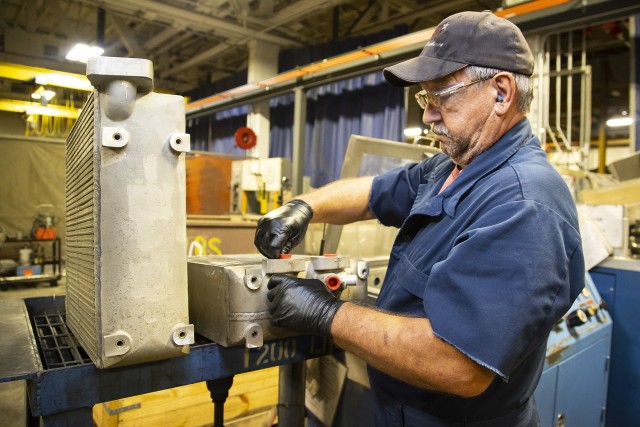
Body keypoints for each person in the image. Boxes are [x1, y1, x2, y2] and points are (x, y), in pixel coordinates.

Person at [255, 11, 584, 427]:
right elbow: (372, 194)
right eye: (424, 99)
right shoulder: (453, 166)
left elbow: (458, 364)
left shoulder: (523, 205)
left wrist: (326, 314)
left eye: (441, 96)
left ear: (501, 93)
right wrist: (303, 207)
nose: (428, 116)